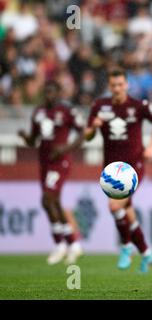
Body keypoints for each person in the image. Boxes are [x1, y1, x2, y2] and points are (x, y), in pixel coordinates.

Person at [85, 69, 152, 273]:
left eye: (121, 84)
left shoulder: (137, 106)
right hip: (111, 169)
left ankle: (126, 247)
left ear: (126, 85)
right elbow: (87, 136)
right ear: (109, 87)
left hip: (133, 167)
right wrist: (93, 128)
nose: (117, 89)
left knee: (114, 206)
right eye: (113, 85)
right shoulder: (99, 106)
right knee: (127, 212)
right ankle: (146, 253)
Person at [18, 81, 84, 265]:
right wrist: (25, 137)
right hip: (45, 162)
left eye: (52, 92)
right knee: (52, 202)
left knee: (47, 199)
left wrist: (65, 148)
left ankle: (60, 244)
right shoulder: (38, 113)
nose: (49, 96)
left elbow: (83, 133)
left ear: (58, 93)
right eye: (46, 92)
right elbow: (33, 140)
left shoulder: (66, 112)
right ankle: (73, 244)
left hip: (60, 161)